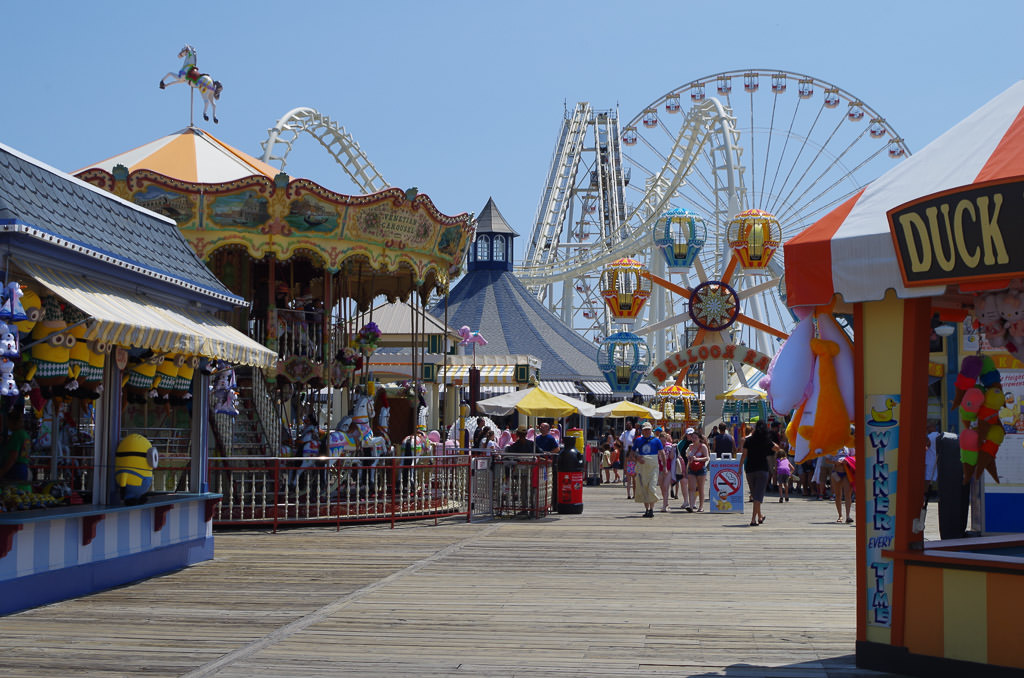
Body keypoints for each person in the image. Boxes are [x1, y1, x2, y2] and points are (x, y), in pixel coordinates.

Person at [739, 420, 777, 526]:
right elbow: (777, 448)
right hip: (762, 469)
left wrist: (739, 468)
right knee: (758, 496)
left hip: (750, 469)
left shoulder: (749, 440)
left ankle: (760, 516)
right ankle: (753, 519)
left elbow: (744, 455)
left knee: (755, 495)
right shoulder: (766, 441)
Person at [632, 422, 663, 517]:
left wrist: (664, 467)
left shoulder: (657, 441)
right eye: (645, 430)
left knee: (652, 487)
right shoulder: (638, 440)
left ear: (651, 430)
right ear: (642, 430)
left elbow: (662, 453)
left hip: (653, 467)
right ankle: (647, 509)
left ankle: (652, 509)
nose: (646, 431)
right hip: (642, 467)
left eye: (648, 430)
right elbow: (632, 453)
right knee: (643, 488)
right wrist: (637, 458)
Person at [0, 412, 32, 489]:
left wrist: (2, 472)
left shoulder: (16, 435)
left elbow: (13, 457)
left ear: (11, 422)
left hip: (15, 470)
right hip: (24, 469)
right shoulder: (25, 434)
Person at [684, 428, 711, 512]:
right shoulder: (690, 447)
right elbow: (687, 455)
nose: (694, 439)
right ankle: (691, 506)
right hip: (692, 468)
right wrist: (689, 458)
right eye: (693, 438)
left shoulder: (703, 446)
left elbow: (707, 458)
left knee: (700, 488)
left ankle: (701, 506)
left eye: (696, 437)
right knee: (691, 488)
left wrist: (697, 459)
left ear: (699, 438)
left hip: (701, 469)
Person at [832, 446, 855, 523]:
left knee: (848, 494)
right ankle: (840, 515)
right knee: (838, 494)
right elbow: (826, 459)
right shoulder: (833, 445)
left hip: (847, 472)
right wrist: (835, 462)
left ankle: (848, 516)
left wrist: (848, 460)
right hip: (836, 472)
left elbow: (854, 457)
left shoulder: (849, 446)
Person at [656, 428, 675, 511]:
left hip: (668, 469)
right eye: (661, 441)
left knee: (665, 487)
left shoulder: (669, 447)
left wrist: (673, 449)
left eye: (664, 441)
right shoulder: (657, 447)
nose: (662, 443)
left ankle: (664, 506)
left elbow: (671, 457)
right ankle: (666, 502)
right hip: (659, 469)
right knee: (662, 487)